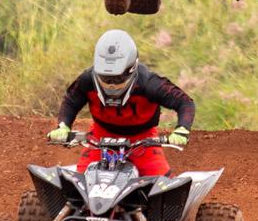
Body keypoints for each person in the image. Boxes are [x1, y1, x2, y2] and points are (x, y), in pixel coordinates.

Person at [47, 29, 194, 176]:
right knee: (79, 183)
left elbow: (185, 102)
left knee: (163, 186)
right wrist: (63, 126)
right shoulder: (87, 80)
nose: (111, 85)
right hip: (100, 138)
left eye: (118, 78)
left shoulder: (149, 84)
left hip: (143, 141)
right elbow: (71, 100)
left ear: (131, 69)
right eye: (105, 77)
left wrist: (182, 129)